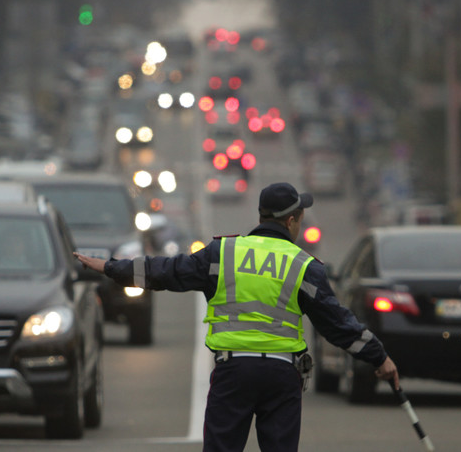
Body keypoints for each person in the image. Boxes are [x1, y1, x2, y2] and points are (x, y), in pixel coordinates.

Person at [74, 182, 398, 452]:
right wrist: (379, 357)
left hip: (233, 372)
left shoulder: (223, 253)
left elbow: (167, 272)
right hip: (282, 375)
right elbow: (337, 323)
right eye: (300, 218)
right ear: (291, 222)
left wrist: (113, 267)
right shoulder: (304, 266)